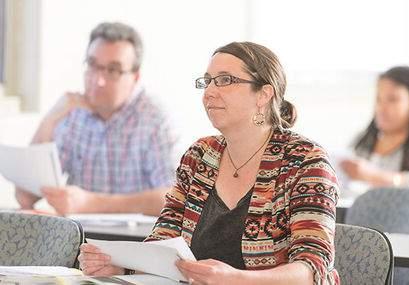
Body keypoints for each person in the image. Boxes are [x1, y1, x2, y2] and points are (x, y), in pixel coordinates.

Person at [78, 42, 340, 284]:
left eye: (225, 80)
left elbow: (311, 268)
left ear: (263, 94)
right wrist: (123, 267)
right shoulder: (200, 155)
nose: (209, 92)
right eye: (207, 81)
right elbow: (164, 241)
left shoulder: (305, 160)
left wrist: (235, 279)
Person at [15, 22, 176, 216]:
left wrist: (91, 203)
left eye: (113, 70)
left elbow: (174, 199)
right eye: (93, 65)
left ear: (135, 77)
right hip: (79, 239)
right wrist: (48, 122)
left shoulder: (155, 119)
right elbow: (25, 197)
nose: (98, 80)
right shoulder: (73, 113)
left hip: (137, 241)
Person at [340, 66, 409, 195]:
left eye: (393, 99)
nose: (382, 108)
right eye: (379, 99)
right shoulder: (361, 140)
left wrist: (378, 177)